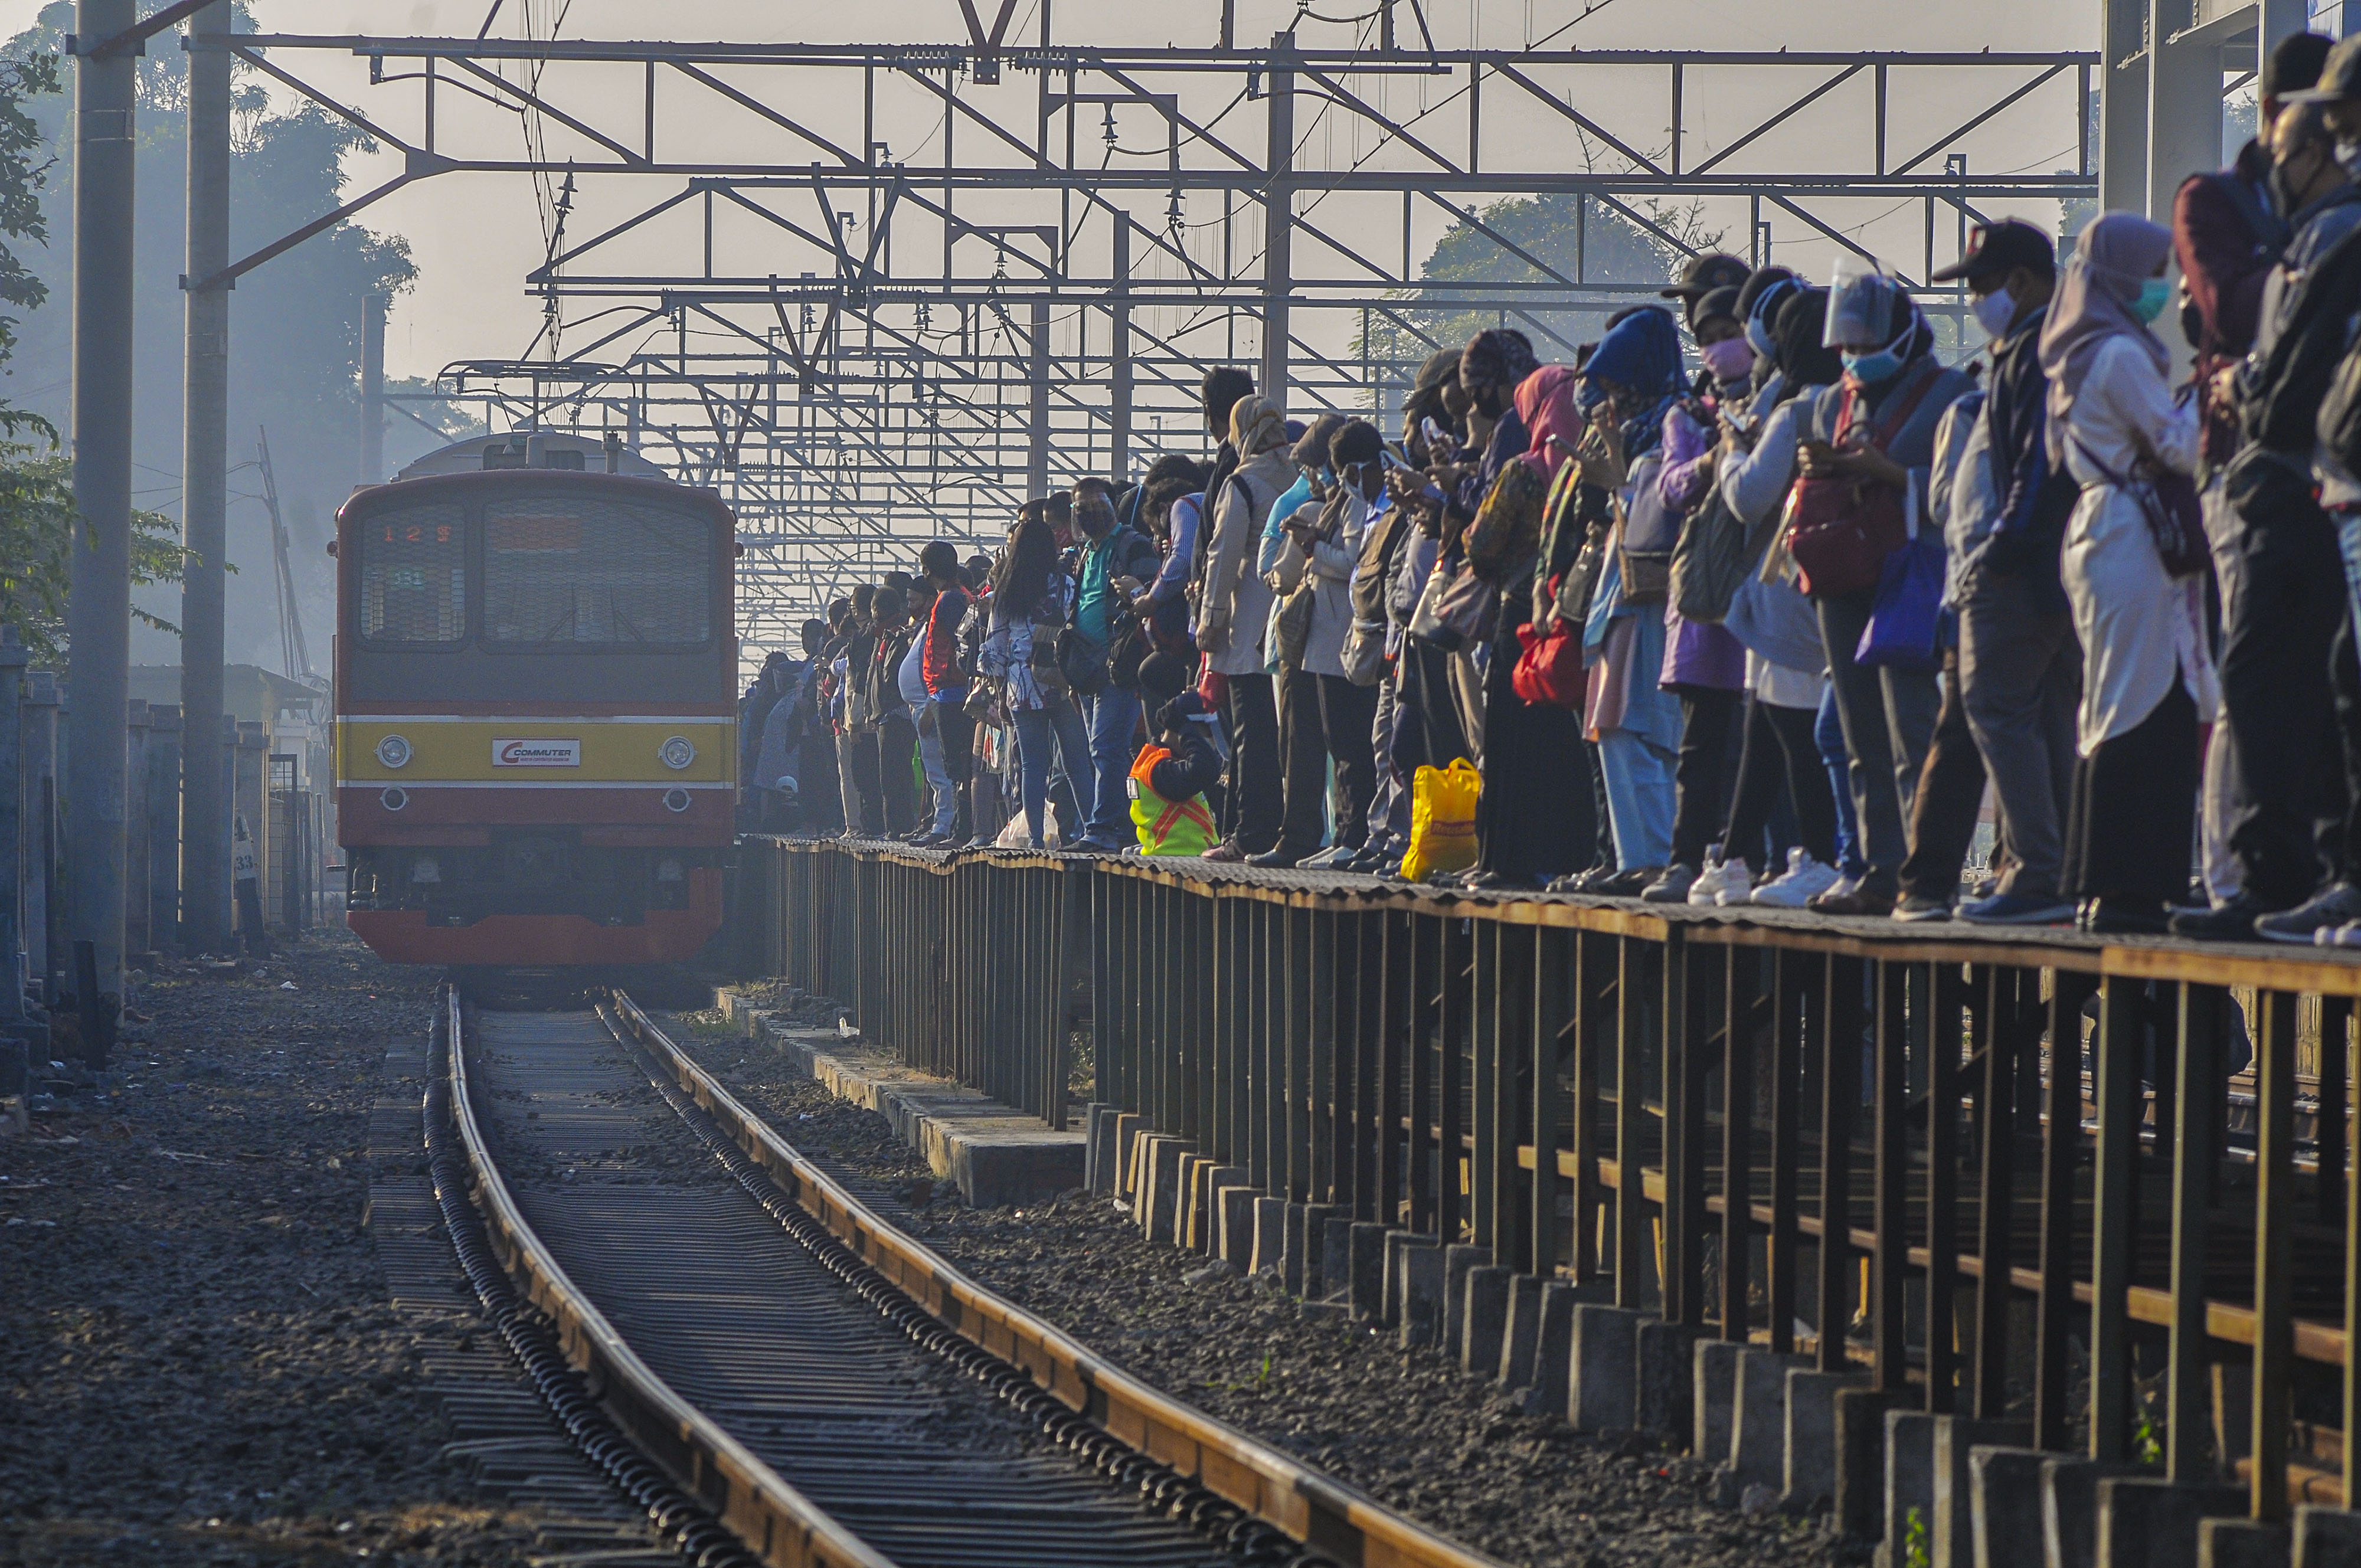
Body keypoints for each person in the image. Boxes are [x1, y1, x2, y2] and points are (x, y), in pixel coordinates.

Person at [2176, 83, 2361, 937]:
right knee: (2319, 680)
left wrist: (2242, 390)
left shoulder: (2328, 236)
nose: (2274, 172)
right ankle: (2309, 875)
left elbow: (2285, 368)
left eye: (2282, 156)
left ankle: (2290, 877)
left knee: (2278, 681)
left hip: (2306, 482)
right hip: (2319, 483)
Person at [2043, 212, 2215, 933]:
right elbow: (2177, 446)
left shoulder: (2077, 353)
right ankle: (2132, 883)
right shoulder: (2116, 354)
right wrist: (2215, 403)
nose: (2162, 289)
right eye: (2152, 274)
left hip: (2100, 531)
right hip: (2129, 533)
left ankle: (2100, 878)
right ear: (2119, 277)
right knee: (2147, 703)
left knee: (2114, 703)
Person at [1794, 268, 1977, 914]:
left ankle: (1926, 871)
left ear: (1903, 334)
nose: (1853, 357)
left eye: (1864, 343)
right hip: (1841, 575)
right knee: (1856, 732)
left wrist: (1889, 473)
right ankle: (1877, 865)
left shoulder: (1950, 395)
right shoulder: (1829, 401)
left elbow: (1959, 489)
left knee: (1911, 727)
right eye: (1843, 346)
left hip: (1910, 571)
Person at [1711, 286, 1845, 906]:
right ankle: (1736, 855)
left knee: (1795, 737)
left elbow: (1747, 495)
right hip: (1820, 588)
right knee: (1767, 735)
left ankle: (1818, 854)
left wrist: (1731, 451)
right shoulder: (1849, 403)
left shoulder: (1797, 411)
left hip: (1787, 592)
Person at [1643, 287, 1754, 904]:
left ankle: (1746, 856)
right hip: (1705, 600)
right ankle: (1688, 859)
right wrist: (1717, 458)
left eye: (1726, 332)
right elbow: (1671, 488)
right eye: (1706, 337)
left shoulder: (1777, 400)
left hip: (1761, 592)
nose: (1716, 349)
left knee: (1759, 742)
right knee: (1701, 743)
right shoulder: (1687, 415)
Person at [1578, 306, 1689, 889]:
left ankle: (1651, 854)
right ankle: (1635, 855)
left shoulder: (1676, 424)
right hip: (1620, 599)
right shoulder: (1638, 429)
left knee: (1644, 725)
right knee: (1619, 726)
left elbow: (1657, 515)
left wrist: (1616, 469)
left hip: (1652, 598)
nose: (1611, 400)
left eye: (1621, 385)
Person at [1196, 394, 1294, 860]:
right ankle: (1291, 829)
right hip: (1299, 627)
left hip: (1249, 628)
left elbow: (1223, 555)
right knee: (1292, 736)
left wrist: (1209, 620)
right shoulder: (1302, 478)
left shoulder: (1243, 483)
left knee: (1249, 735)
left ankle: (1248, 833)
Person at [1254, 414, 1349, 866]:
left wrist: (1305, 549)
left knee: (1302, 742)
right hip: (1352, 640)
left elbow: (1277, 575)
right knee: (1346, 745)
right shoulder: (1358, 506)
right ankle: (1340, 832)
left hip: (1313, 641)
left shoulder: (1308, 510)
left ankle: (1301, 837)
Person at [979, 512, 1093, 849]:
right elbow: (1078, 627)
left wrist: (1000, 694)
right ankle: (1091, 829)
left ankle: (1036, 837)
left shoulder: (1006, 590)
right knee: (1076, 760)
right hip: (1061, 679)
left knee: (1032, 764)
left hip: (1021, 684)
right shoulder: (1066, 584)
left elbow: (995, 647)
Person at [1069, 476, 1162, 853]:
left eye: (1097, 505)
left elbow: (1150, 587)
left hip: (1117, 660)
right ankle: (1124, 824)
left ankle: (1103, 828)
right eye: (1082, 508)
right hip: (1088, 666)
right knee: (1108, 751)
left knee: (1106, 747)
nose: (1090, 514)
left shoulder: (1131, 544)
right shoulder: (1087, 553)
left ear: (1113, 506)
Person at [1125, 651, 1222, 856]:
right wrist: (1187, 727)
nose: (1208, 744)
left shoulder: (1165, 763)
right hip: (1173, 865)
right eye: (1203, 737)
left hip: (1186, 863)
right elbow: (1204, 769)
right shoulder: (1157, 770)